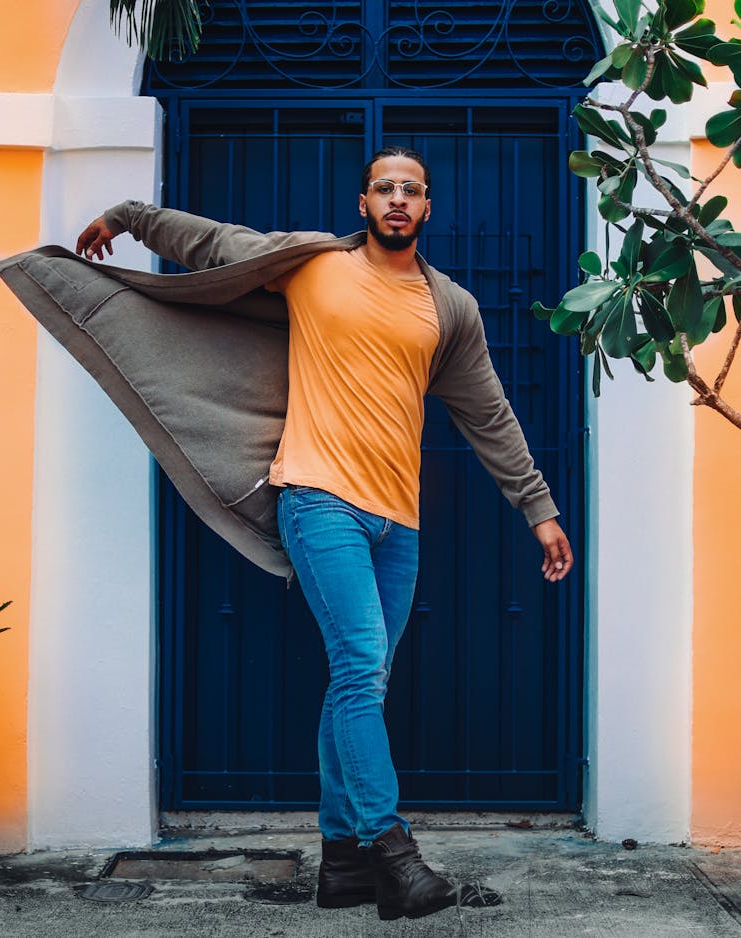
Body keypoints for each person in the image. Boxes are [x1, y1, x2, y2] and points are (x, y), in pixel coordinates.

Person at [71, 145, 572, 921]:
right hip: (317, 499)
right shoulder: (311, 266)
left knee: (358, 682)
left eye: (412, 190)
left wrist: (539, 511)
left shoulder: (451, 309)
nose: (398, 200)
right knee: (362, 667)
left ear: (429, 208)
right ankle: (394, 853)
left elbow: (489, 414)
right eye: (385, 189)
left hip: (396, 518)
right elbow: (212, 241)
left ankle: (341, 863)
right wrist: (130, 217)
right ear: (363, 203)